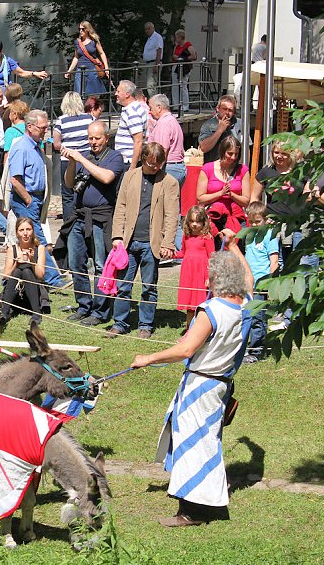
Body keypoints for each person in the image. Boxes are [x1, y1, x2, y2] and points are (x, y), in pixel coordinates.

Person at [131, 237, 254, 527]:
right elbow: (249, 279)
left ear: (216, 279)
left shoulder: (211, 310)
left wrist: (147, 358)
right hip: (221, 385)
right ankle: (204, 502)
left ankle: (191, 511)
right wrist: (233, 246)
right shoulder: (246, 305)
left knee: (194, 444)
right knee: (207, 441)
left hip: (200, 386)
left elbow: (186, 350)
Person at [107, 143, 179, 338]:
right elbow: (120, 207)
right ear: (143, 159)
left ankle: (145, 325)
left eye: (158, 164)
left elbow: (172, 215)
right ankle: (120, 323)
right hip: (128, 242)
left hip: (151, 243)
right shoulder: (129, 176)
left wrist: (168, 243)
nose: (154, 167)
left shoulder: (170, 182)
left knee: (149, 287)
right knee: (123, 286)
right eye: (151, 163)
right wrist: (117, 236)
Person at [60, 122, 127, 326]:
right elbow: (69, 183)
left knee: (100, 265)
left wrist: (81, 159)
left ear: (106, 138)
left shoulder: (115, 157)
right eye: (90, 138)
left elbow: (106, 177)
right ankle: (83, 306)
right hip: (79, 216)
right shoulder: (84, 156)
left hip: (101, 218)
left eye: (97, 138)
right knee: (75, 263)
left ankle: (100, 311)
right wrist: (72, 162)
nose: (93, 142)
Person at [8, 109, 66, 288]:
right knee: (38, 239)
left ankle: (38, 275)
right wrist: (28, 200)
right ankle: (53, 279)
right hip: (26, 200)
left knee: (33, 240)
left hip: (36, 199)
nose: (45, 131)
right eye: (42, 128)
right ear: (30, 127)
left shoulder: (34, 146)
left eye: (47, 127)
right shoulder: (21, 148)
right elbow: (15, 179)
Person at [243, 201, 279, 363]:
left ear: (266, 219)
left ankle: (257, 351)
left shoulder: (270, 236)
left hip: (261, 284)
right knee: (246, 316)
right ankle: (247, 347)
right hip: (247, 284)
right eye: (251, 221)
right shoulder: (249, 236)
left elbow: (274, 261)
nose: (254, 225)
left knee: (258, 318)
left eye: (257, 221)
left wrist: (271, 285)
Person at [54, 91, 95, 221]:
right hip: (86, 159)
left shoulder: (61, 121)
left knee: (68, 194)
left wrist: (65, 148)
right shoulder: (89, 118)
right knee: (85, 189)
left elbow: (56, 144)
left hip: (67, 159)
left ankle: (69, 223)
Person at [197, 135, 251, 232]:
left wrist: (232, 195)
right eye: (230, 154)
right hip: (213, 217)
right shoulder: (208, 168)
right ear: (222, 151)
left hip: (236, 217)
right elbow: (200, 198)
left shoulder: (243, 170)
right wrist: (220, 193)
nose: (233, 157)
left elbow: (246, 201)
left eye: (236, 154)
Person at [0, 217, 47, 327]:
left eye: (28, 229)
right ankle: (4, 313)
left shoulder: (39, 248)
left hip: (33, 295)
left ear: (33, 231)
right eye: (21, 230)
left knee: (26, 271)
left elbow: (40, 275)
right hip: (15, 295)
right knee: (17, 271)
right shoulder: (12, 249)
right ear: (17, 233)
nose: (25, 233)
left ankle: (36, 313)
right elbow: (6, 276)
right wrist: (16, 263)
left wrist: (32, 261)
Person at [176, 205, 215, 327]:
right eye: (192, 221)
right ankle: (189, 328)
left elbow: (212, 258)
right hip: (188, 273)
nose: (194, 224)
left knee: (201, 304)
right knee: (190, 305)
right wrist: (172, 254)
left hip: (201, 274)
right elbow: (183, 252)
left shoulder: (207, 237)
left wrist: (210, 277)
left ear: (204, 222)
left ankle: (202, 328)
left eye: (198, 222)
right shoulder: (186, 236)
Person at [147, 94, 186, 186]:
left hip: (169, 168)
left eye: (151, 108)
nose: (149, 112)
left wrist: (155, 170)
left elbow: (162, 150)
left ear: (159, 108)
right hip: (177, 167)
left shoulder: (164, 123)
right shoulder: (172, 120)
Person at [65, 21, 111, 97]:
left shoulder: (94, 41)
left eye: (83, 29)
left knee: (93, 95)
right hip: (79, 71)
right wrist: (69, 71)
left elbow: (102, 53)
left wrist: (106, 68)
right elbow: (76, 57)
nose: (80, 31)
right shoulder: (78, 42)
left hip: (92, 70)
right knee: (79, 94)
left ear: (88, 29)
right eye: (79, 29)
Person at [198, 95, 246, 163]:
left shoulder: (240, 124)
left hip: (234, 165)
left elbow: (246, 148)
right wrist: (219, 130)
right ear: (218, 108)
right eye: (224, 109)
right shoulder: (208, 125)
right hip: (214, 165)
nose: (227, 113)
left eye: (230, 110)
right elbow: (203, 148)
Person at [114, 80, 147, 170]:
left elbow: (138, 141)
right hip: (126, 160)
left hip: (128, 161)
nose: (116, 94)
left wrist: (132, 167)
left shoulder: (132, 112)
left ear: (127, 94)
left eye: (118, 91)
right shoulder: (131, 109)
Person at [172, 30, 197, 112]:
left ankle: (185, 105)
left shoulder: (188, 45)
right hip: (176, 66)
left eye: (177, 37)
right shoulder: (177, 46)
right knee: (175, 86)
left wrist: (183, 58)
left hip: (184, 67)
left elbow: (193, 56)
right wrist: (176, 57)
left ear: (180, 37)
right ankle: (176, 105)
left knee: (183, 85)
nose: (176, 39)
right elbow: (174, 55)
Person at [141, 22, 164, 96]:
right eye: (146, 29)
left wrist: (156, 65)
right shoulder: (149, 39)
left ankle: (153, 100)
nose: (147, 31)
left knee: (151, 84)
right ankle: (153, 99)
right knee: (149, 84)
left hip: (153, 63)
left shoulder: (157, 37)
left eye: (149, 29)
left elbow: (159, 50)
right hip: (148, 63)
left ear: (153, 28)